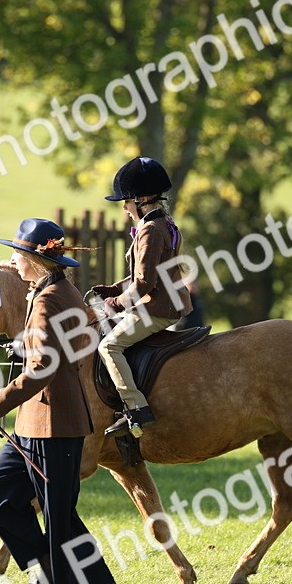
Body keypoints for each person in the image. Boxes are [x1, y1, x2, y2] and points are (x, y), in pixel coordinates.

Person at [0, 218, 129, 584]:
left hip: (54, 423)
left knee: (60, 516)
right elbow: (56, 348)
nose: (13, 262)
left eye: (18, 255)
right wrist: (24, 346)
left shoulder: (48, 298)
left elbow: (44, 368)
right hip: (37, 422)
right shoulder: (56, 290)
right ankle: (53, 570)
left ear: (35, 261)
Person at [91, 157, 191, 438]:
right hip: (168, 300)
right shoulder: (164, 223)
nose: (124, 208)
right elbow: (147, 275)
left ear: (143, 199)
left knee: (109, 346)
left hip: (157, 307)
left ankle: (136, 409)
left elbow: (145, 283)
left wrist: (117, 303)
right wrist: (115, 288)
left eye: (126, 202)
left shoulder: (149, 229)